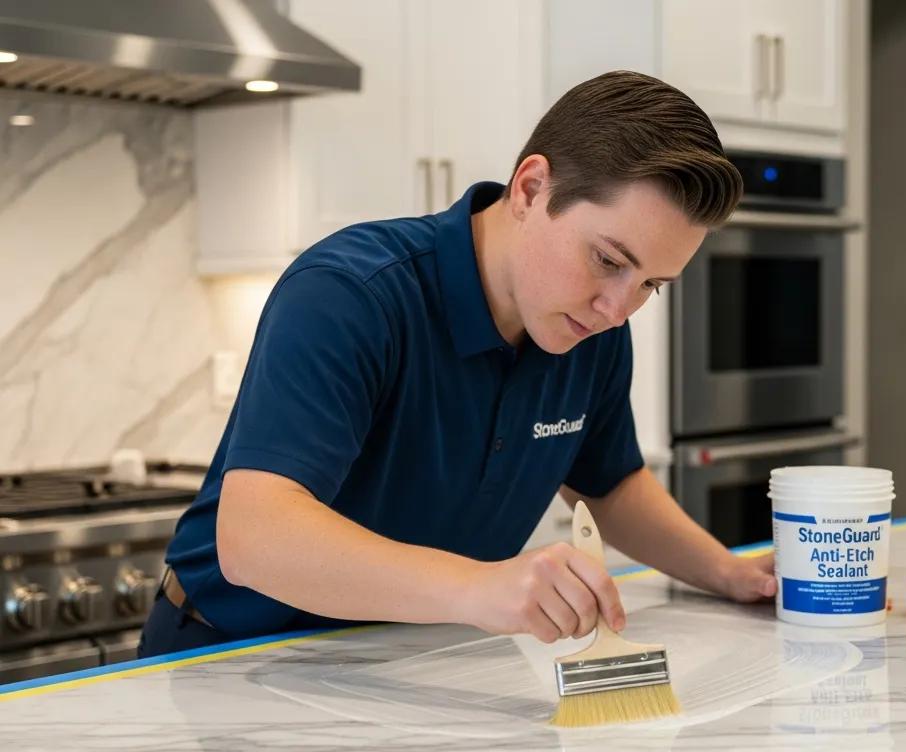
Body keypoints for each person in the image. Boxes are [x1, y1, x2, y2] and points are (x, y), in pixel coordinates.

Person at [138, 70, 776, 659]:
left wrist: (728, 571)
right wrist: (481, 588)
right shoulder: (351, 294)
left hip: (412, 658)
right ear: (530, 189)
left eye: (652, 285)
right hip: (233, 655)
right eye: (609, 260)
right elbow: (255, 539)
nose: (619, 307)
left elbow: (609, 486)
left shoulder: (591, 329)